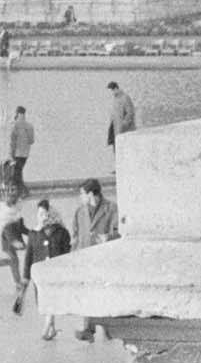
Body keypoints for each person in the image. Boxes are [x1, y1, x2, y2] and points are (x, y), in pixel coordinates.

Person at [67, 179, 121, 342]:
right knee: (87, 294)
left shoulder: (111, 209)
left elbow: (120, 231)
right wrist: (73, 257)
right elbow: (75, 237)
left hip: (105, 259)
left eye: (81, 194)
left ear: (91, 194)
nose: (80, 197)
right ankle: (88, 329)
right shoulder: (80, 212)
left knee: (104, 294)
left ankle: (107, 328)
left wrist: (109, 237)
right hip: (85, 259)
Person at [29, 202, 73, 339]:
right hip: (40, 274)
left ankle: (47, 325)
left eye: (43, 213)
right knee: (43, 300)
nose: (40, 217)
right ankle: (52, 327)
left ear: (50, 214)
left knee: (51, 299)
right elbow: (29, 256)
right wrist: (26, 276)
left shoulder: (62, 232)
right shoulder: (34, 233)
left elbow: (66, 253)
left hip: (55, 273)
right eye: (39, 214)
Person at [7, 106, 35, 193]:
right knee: (18, 173)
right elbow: (31, 141)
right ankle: (20, 192)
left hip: (16, 153)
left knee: (16, 175)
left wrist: (10, 155)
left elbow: (12, 141)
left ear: (16, 113)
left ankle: (24, 191)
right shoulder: (29, 126)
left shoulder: (14, 125)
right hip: (25, 154)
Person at [105, 81, 137, 153]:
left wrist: (123, 125)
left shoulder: (125, 98)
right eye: (111, 91)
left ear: (116, 88)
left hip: (124, 131)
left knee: (125, 152)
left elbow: (130, 112)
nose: (111, 93)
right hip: (115, 130)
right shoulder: (115, 99)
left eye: (112, 90)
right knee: (117, 151)